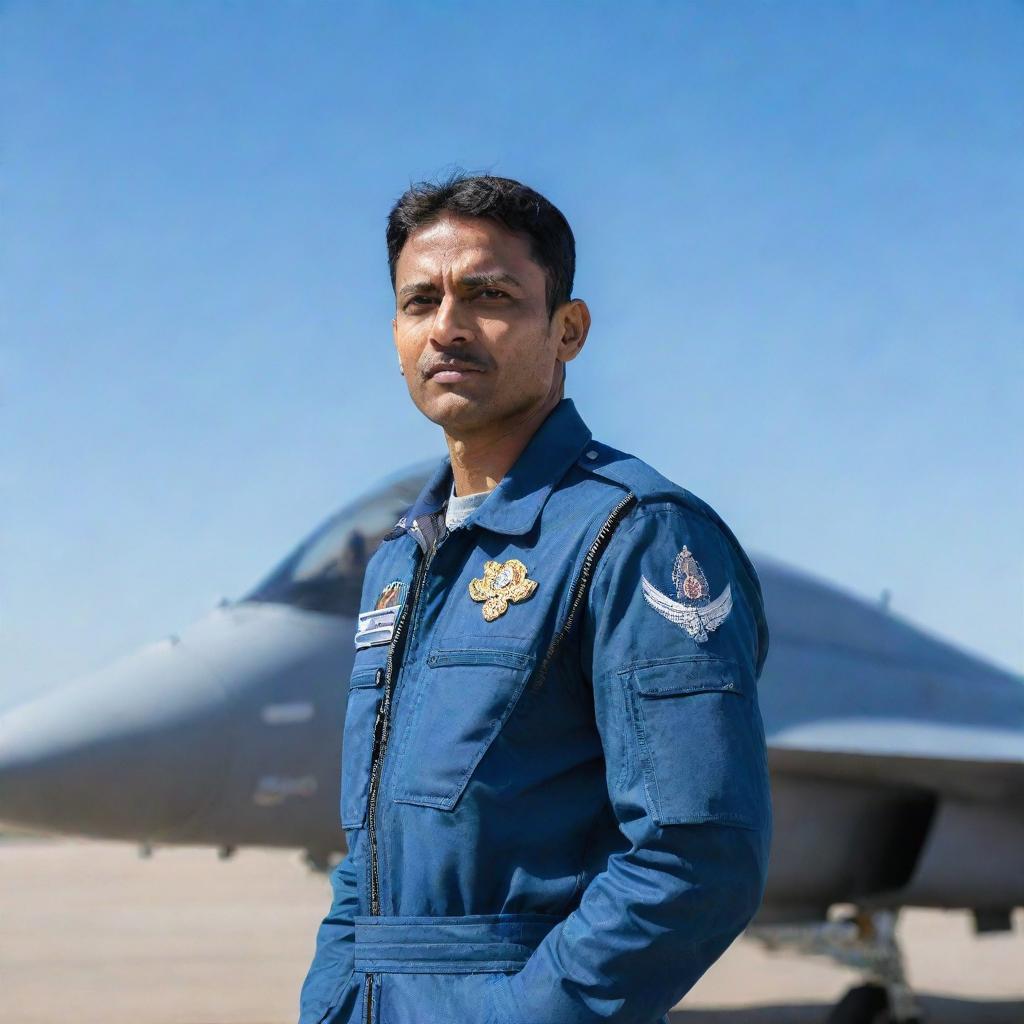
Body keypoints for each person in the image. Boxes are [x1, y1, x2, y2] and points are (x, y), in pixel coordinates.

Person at [298, 173, 772, 1024]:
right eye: (420, 302)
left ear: (568, 329)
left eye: (490, 296)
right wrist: (330, 1003)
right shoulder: (400, 564)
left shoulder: (636, 536)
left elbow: (695, 856)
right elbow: (367, 863)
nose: (447, 326)